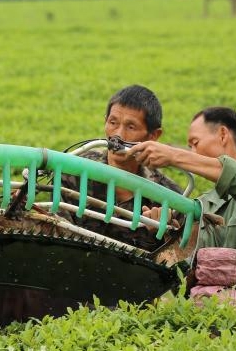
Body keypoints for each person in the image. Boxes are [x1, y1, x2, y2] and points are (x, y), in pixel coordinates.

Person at [127, 106, 236, 262]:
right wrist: (167, 232)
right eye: (189, 147)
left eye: (195, 143)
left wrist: (175, 156)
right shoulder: (203, 204)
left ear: (223, 135)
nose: (192, 153)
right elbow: (186, 270)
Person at [60, 84, 183, 251]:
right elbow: (56, 233)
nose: (118, 135)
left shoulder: (169, 198)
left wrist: (160, 235)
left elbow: (175, 263)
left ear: (153, 136)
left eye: (131, 127)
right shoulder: (75, 170)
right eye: (113, 122)